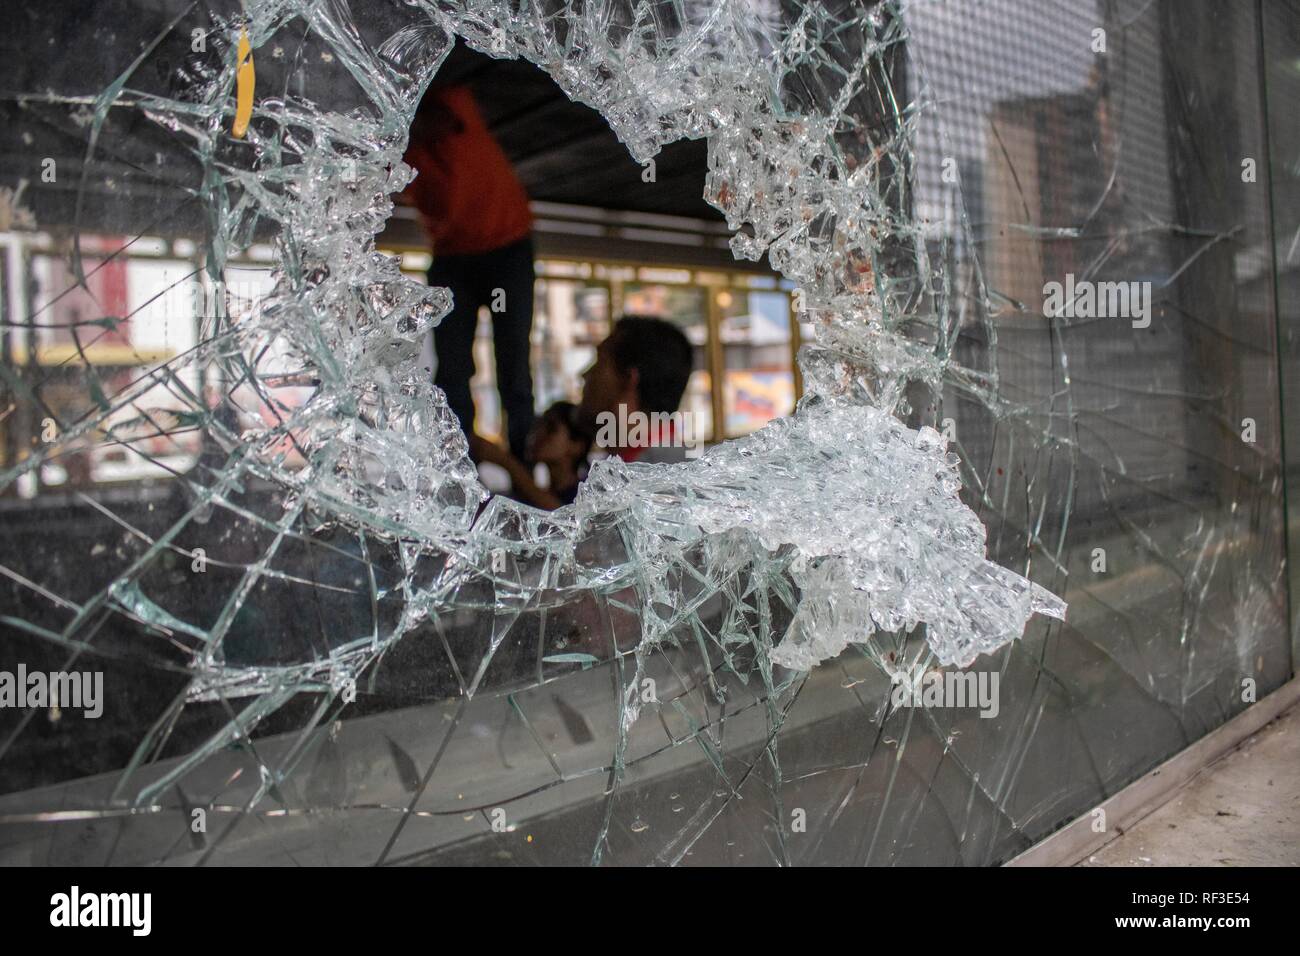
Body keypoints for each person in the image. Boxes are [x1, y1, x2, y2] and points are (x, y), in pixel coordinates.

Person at [402, 83, 536, 460]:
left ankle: (525, 463)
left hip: (505, 247)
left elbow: (445, 109)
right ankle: (459, 463)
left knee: (512, 360)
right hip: (455, 257)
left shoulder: (455, 107)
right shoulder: (414, 152)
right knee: (453, 370)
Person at [577, 315, 694, 464]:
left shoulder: (659, 482)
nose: (584, 375)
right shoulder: (670, 469)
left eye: (599, 362)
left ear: (628, 379)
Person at [472, 401, 592, 510]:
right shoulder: (543, 493)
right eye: (538, 425)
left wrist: (507, 462)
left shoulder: (586, 495)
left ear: (576, 446)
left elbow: (561, 515)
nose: (538, 434)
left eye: (550, 429)